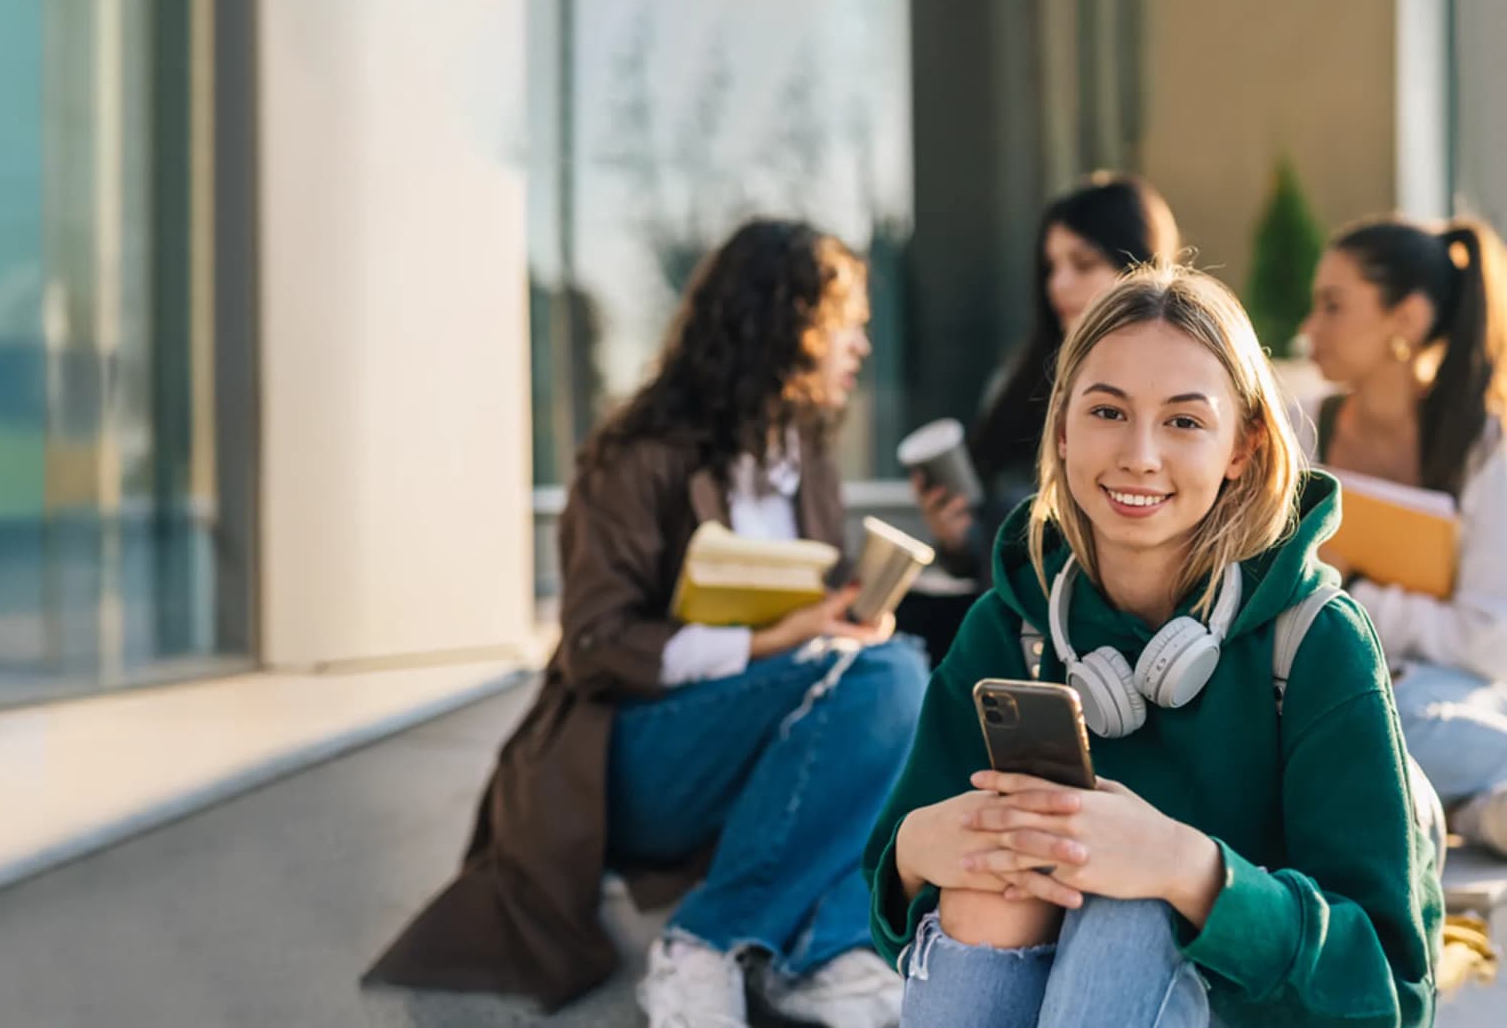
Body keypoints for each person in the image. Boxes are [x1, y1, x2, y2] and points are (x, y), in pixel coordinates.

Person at [365, 219, 929, 1027]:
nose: (861, 345)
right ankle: (702, 944)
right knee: (893, 674)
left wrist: (838, 626)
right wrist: (771, 641)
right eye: (847, 322)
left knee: (894, 680)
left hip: (768, 741)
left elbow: (820, 634)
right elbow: (593, 645)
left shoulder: (806, 461)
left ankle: (818, 953)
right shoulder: (639, 455)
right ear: (786, 323)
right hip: (636, 758)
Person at [861, 263, 1440, 1026]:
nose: (1139, 454)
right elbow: (892, 920)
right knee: (986, 889)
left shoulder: (1317, 642)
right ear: (1062, 429)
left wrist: (1189, 873)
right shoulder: (1009, 628)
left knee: (1130, 909)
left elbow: (1392, 989)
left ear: (1242, 446)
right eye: (1107, 412)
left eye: (1184, 422)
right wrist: (914, 853)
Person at [901, 174, 1180, 663]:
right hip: (1012, 627)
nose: (1059, 284)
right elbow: (1000, 543)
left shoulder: (1188, 378)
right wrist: (958, 538)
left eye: (1083, 264)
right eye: (1051, 267)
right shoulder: (1017, 382)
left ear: (1141, 265)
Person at [1299, 216, 1507, 854]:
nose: (1309, 329)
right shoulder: (1299, 429)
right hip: (1322, 675)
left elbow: (1487, 641)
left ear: (1408, 320)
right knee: (1338, 718)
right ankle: (1478, 807)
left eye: (1333, 306)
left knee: (1389, 721)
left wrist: (1357, 591)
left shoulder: (1487, 449)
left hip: (1444, 691)